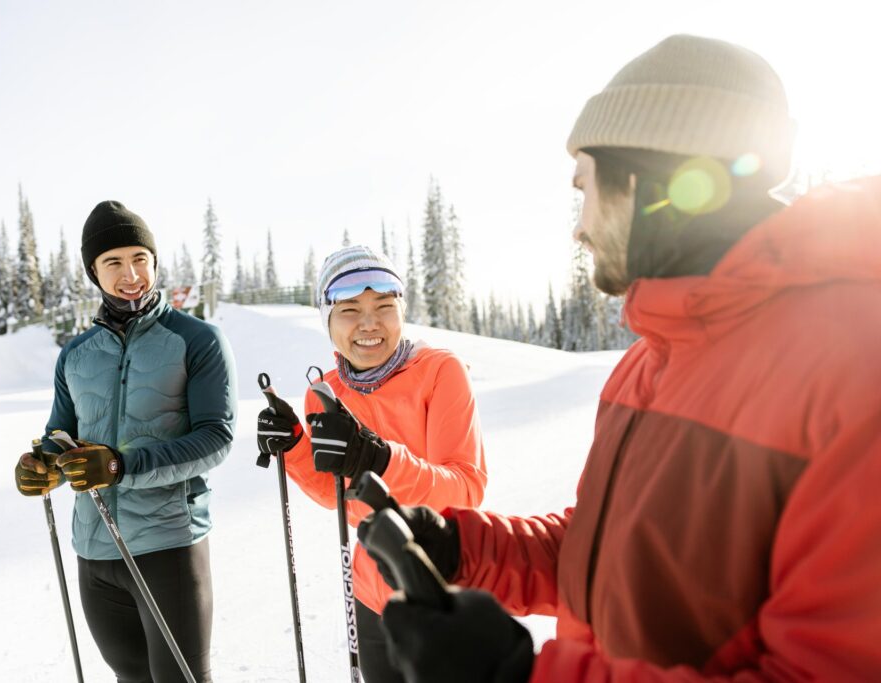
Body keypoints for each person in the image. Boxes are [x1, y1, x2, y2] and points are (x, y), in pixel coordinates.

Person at [368, 34, 881, 681]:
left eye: (584, 187)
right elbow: (616, 552)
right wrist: (468, 546)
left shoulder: (855, 370)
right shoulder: (651, 362)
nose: (578, 226)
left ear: (645, 182)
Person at [14, 200, 237, 683]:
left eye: (140, 258)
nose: (130, 273)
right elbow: (61, 436)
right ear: (94, 272)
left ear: (155, 262)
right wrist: (41, 464)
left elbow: (215, 438)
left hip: (169, 546)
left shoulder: (196, 340)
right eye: (113, 262)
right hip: (94, 551)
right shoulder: (75, 353)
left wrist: (120, 465)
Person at [256, 245, 487, 681]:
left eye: (384, 306)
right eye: (349, 310)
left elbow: (465, 489)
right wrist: (293, 447)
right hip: (369, 591)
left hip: (441, 586)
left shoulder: (440, 371)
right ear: (327, 319)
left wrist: (379, 460)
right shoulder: (324, 392)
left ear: (401, 310)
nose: (369, 323)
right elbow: (336, 495)